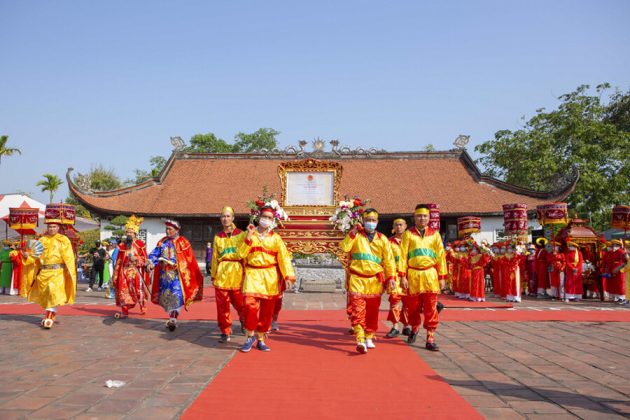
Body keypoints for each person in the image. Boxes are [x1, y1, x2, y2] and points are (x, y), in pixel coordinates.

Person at [238, 205, 295, 352]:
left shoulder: (276, 238)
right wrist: (249, 237)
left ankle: (261, 337)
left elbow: (284, 259)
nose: (266, 220)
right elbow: (241, 254)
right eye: (264, 217)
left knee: (267, 310)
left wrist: (288, 276)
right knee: (250, 306)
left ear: (273, 220)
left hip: (270, 276)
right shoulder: (249, 234)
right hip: (253, 274)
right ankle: (250, 335)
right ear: (259, 217)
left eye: (270, 218)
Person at [340, 208, 396, 353]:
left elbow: (389, 260)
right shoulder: (356, 236)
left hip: (375, 281)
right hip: (357, 279)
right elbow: (344, 248)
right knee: (358, 311)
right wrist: (351, 234)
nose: (371, 223)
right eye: (368, 220)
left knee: (372, 312)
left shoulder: (383, 239)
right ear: (362, 221)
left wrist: (391, 277)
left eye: (373, 220)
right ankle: (359, 339)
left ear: (377, 222)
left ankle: (369, 335)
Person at [400, 204, 448, 351]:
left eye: (425, 216)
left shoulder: (435, 234)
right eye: (419, 216)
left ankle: (430, 337)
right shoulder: (408, 234)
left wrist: (442, 277)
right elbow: (403, 256)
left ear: (429, 218)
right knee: (412, 307)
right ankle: (414, 328)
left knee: (431, 307)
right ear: (414, 217)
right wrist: (402, 276)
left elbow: (441, 257)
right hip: (413, 274)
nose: (422, 218)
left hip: (430, 275)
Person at [20, 210, 77, 329]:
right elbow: (34, 257)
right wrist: (27, 256)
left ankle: (49, 316)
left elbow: (69, 257)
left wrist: (68, 271)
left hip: (57, 272)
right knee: (46, 295)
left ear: (58, 227)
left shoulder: (63, 240)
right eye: (50, 226)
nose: (51, 229)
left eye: (54, 226)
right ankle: (50, 314)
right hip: (44, 272)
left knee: (53, 292)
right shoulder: (42, 240)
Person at [147, 219, 204, 331]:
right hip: (164, 276)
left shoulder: (183, 242)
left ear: (176, 230)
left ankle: (173, 318)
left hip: (178, 276)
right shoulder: (162, 242)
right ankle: (172, 316)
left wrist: (179, 265)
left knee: (177, 295)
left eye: (170, 229)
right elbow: (154, 254)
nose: (167, 231)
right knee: (167, 296)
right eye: (166, 229)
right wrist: (150, 263)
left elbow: (189, 259)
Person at [211, 206, 246, 343]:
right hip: (222, 273)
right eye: (223, 216)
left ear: (233, 218)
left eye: (228, 216)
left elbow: (245, 255)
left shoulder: (242, 235)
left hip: (237, 272)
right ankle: (225, 331)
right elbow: (214, 257)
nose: (225, 219)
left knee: (240, 303)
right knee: (222, 306)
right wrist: (213, 275)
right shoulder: (217, 237)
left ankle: (244, 320)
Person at [113, 215, 150, 318]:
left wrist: (137, 259)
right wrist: (116, 273)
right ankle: (125, 311)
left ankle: (143, 306)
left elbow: (145, 259)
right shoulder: (122, 246)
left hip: (136, 271)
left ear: (135, 233)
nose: (129, 234)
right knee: (123, 291)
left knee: (138, 290)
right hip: (124, 271)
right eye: (127, 232)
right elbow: (119, 260)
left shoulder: (140, 244)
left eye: (131, 232)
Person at [385, 218, 409, 338]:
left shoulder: (411, 241)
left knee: (408, 302)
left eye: (401, 224)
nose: (398, 227)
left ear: (405, 226)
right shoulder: (389, 242)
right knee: (395, 300)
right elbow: (387, 261)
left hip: (409, 276)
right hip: (395, 276)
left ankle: (406, 326)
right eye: (396, 225)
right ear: (393, 227)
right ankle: (395, 326)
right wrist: (391, 277)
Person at [603, 239, 628, 304]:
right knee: (615, 284)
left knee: (620, 284)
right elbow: (610, 262)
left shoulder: (621, 252)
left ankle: (622, 297)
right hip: (613, 270)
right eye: (613, 245)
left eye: (615, 245)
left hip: (619, 270)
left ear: (619, 246)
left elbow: (623, 262)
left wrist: (617, 269)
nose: (614, 247)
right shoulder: (613, 252)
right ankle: (617, 297)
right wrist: (608, 270)